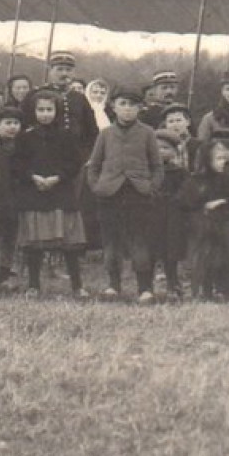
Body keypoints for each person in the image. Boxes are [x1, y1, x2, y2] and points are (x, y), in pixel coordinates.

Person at [86, 87, 165, 301]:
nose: (127, 109)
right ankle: (113, 286)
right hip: (110, 194)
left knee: (141, 241)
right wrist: (97, 187)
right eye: (123, 104)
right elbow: (93, 166)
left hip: (138, 194)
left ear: (140, 108)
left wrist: (151, 187)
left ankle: (145, 289)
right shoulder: (106, 134)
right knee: (111, 242)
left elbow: (157, 166)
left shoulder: (147, 132)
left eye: (132, 105)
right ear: (114, 107)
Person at [13, 88, 89, 297]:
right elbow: (17, 164)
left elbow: (75, 163)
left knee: (69, 245)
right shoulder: (25, 138)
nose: (45, 114)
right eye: (41, 110)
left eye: (49, 109)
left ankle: (77, 285)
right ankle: (34, 285)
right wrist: (33, 177)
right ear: (33, 111)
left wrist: (58, 178)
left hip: (61, 194)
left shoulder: (66, 136)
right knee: (34, 246)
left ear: (56, 112)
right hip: (34, 195)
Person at [178, 126, 229, 301]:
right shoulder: (197, 179)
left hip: (227, 222)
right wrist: (204, 206)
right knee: (205, 258)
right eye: (219, 158)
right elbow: (187, 201)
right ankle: (202, 291)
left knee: (228, 254)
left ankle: (228, 290)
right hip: (204, 226)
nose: (223, 161)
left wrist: (223, 202)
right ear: (207, 160)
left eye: (224, 157)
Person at [148, 129, 189, 299]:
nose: (160, 152)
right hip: (152, 215)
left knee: (171, 251)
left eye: (165, 148)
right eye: (156, 148)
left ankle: (173, 282)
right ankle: (147, 284)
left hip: (172, 215)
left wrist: (176, 200)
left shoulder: (179, 172)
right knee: (151, 249)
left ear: (174, 152)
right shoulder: (147, 171)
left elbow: (186, 191)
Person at [0, 107, 24, 291]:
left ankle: (6, 275)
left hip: (16, 199)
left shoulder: (23, 147)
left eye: (16, 123)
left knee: (12, 239)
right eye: (8, 123)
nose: (12, 127)